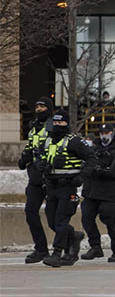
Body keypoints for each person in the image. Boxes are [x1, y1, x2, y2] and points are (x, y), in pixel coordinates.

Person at [37, 110, 94, 267]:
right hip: (51, 186)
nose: (57, 126)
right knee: (52, 222)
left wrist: (81, 176)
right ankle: (73, 237)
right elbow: (41, 158)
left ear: (67, 124)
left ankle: (57, 252)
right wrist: (41, 165)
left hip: (68, 186)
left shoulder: (74, 141)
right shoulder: (48, 141)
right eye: (55, 123)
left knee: (61, 221)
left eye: (61, 123)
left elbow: (91, 158)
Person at [80, 123, 115, 262]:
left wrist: (109, 171)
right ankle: (95, 247)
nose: (104, 135)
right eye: (102, 132)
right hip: (92, 190)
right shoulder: (93, 148)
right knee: (87, 217)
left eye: (107, 132)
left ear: (112, 133)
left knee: (110, 219)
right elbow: (86, 164)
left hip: (110, 192)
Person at [18, 97, 54, 264]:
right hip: (35, 178)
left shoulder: (54, 126)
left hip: (51, 177)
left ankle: (69, 241)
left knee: (53, 218)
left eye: (42, 106)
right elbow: (32, 147)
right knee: (30, 212)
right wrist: (25, 157)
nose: (39, 109)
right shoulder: (33, 128)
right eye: (37, 106)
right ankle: (41, 248)